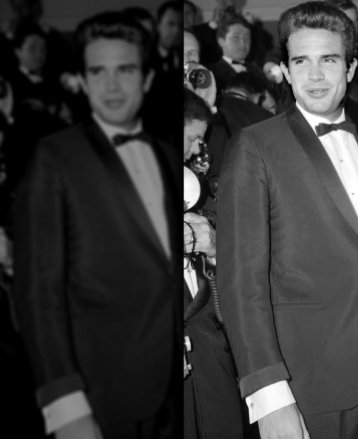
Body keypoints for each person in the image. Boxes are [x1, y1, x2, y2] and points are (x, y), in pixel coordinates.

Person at [217, 2, 358, 438]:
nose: (315, 76)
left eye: (329, 60)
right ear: (285, 69)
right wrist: (268, 395)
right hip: (304, 382)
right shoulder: (254, 146)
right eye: (301, 61)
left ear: (351, 68)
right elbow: (241, 283)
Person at [12, 11, 179, 439]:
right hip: (100, 397)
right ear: (83, 81)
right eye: (97, 72)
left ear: (145, 78)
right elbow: (38, 295)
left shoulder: (169, 154)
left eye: (124, 70)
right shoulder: (53, 160)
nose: (110, 86)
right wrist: (64, 405)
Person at [182, 87, 249, 439]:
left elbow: (235, 283)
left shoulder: (199, 193)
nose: (197, 150)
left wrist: (214, 251)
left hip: (211, 365)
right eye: (193, 138)